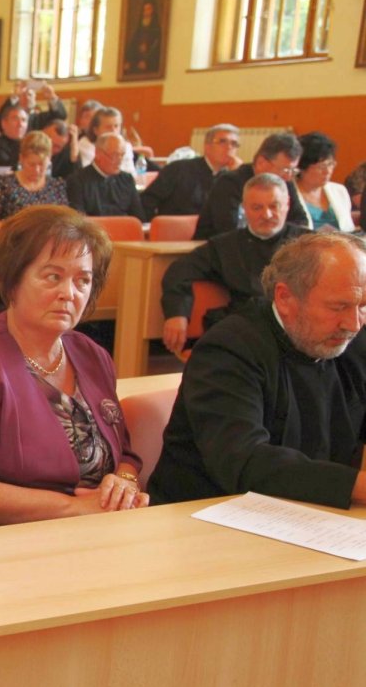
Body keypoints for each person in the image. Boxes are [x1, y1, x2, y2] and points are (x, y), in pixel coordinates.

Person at [0, 205, 146, 533]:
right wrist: (76, 508)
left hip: (99, 531)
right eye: (53, 276)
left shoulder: (92, 355)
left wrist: (123, 484)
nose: (69, 293)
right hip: (1, 544)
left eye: (82, 280)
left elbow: (125, 453)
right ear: (13, 280)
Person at [149, 232, 366, 508]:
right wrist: (357, 486)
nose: (354, 323)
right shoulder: (229, 348)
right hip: (205, 516)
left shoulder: (354, 342)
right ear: (286, 298)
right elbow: (243, 460)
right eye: (339, 306)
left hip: (310, 515)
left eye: (363, 306)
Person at [159, 173, 307, 356]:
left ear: (287, 204)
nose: (266, 215)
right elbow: (179, 271)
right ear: (244, 208)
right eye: (257, 208)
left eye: (274, 206)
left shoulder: (309, 244)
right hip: (249, 330)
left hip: (302, 330)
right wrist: (176, 314)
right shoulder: (226, 246)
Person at [194, 132, 307, 240]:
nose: (289, 176)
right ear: (261, 163)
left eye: (293, 170)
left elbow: (301, 222)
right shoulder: (230, 183)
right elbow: (229, 228)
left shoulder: (285, 182)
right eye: (285, 169)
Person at [141, 124, 242, 220]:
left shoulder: (230, 177)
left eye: (234, 144)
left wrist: (238, 175)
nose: (229, 147)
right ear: (207, 146)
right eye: (222, 141)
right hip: (176, 231)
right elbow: (148, 200)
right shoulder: (178, 169)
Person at [0, 131, 70, 235]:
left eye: (41, 165)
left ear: (49, 159)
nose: (36, 170)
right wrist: (21, 230)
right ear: (21, 159)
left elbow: (65, 221)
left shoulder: (56, 186)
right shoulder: (5, 184)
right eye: (31, 164)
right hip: (14, 242)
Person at [65, 133, 146, 220]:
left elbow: (139, 218)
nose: (119, 160)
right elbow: (78, 220)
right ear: (98, 153)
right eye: (115, 155)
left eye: (122, 155)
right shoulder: (77, 180)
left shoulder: (127, 179)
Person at [294, 132, 354, 232]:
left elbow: (348, 227)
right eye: (321, 166)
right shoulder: (289, 193)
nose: (327, 171)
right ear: (303, 167)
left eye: (330, 164)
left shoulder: (339, 190)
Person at [122, 0, 163, 77]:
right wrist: (129, 61)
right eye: (145, 10)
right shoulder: (139, 29)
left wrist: (147, 61)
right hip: (137, 62)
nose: (146, 12)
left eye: (149, 9)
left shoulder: (156, 29)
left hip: (149, 63)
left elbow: (157, 49)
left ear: (153, 10)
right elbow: (132, 45)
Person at [0, 97, 29, 169]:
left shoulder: (30, 144)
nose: (20, 124)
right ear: (4, 123)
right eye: (15, 119)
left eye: (24, 120)